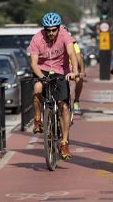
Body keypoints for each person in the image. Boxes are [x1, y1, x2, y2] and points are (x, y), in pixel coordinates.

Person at [28, 12, 79, 160]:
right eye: (48, 30)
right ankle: (38, 118)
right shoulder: (37, 38)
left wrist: (74, 72)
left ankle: (64, 143)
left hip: (61, 71)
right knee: (37, 88)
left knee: (63, 106)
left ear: (58, 28)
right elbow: (33, 63)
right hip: (42, 69)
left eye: (54, 30)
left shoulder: (64, 35)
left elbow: (72, 54)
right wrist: (42, 78)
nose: (51, 33)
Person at [72, 41, 85, 115]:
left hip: (71, 67)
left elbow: (79, 57)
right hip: (58, 67)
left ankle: (76, 100)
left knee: (79, 80)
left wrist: (82, 71)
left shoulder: (73, 43)